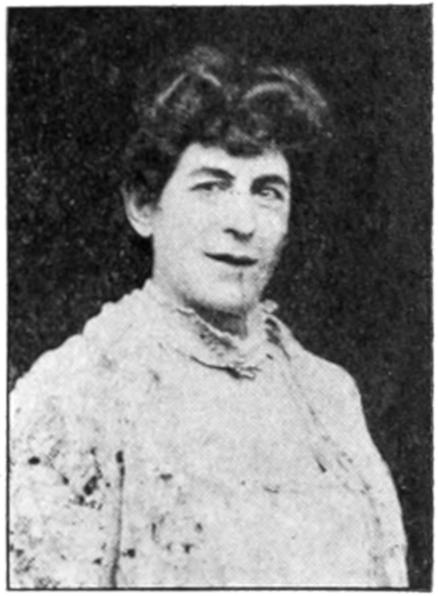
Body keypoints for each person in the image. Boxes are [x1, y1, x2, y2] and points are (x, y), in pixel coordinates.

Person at [9, 45, 408, 588]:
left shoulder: (328, 397)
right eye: (211, 186)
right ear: (144, 207)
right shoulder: (75, 395)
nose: (242, 222)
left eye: (267, 192)